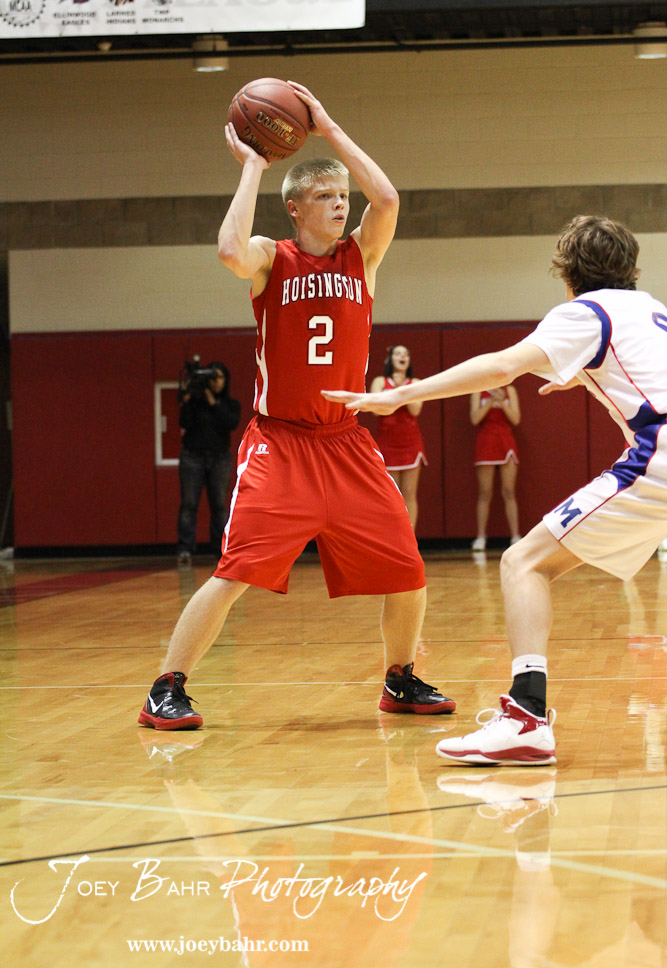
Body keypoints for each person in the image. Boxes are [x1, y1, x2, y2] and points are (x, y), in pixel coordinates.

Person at [138, 81, 455, 730]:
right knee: (234, 572)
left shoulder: (360, 257)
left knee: (406, 568)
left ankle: (399, 679)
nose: (340, 206)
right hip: (279, 443)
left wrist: (330, 128)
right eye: (324, 197)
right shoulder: (270, 260)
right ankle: (166, 687)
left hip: (344, 441)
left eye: (342, 197)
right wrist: (256, 165)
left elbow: (388, 198)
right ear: (295, 208)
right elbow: (228, 249)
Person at [324, 214, 667, 765]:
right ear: (629, 266)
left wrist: (400, 394)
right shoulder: (651, 308)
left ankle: (527, 719)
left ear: (567, 272)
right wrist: (579, 374)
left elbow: (500, 366)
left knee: (524, 564)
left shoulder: (584, 312)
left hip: (659, 457)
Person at [176, 361, 241, 566]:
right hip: (192, 457)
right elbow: (184, 422)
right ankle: (185, 549)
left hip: (220, 459)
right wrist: (187, 399)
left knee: (220, 506)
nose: (216, 382)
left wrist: (213, 401)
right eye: (212, 378)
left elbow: (230, 422)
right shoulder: (195, 403)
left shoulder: (230, 404)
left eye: (219, 377)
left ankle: (220, 549)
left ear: (226, 380)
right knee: (189, 504)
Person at [369, 344, 427, 528]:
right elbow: (377, 411)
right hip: (387, 443)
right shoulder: (380, 381)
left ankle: (410, 540)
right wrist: (395, 390)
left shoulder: (415, 382)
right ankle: (391, 537)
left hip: (410, 442)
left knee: (409, 493)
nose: (402, 357)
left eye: (406, 354)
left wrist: (402, 389)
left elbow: (415, 409)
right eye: (398, 353)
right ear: (390, 359)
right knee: (390, 495)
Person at [470, 386, 521, 550]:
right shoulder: (478, 391)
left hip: (506, 441)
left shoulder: (510, 390)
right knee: (485, 492)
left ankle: (515, 536)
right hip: (486, 441)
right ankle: (480, 537)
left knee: (509, 491)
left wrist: (502, 402)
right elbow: (475, 418)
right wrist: (491, 401)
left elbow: (516, 419)